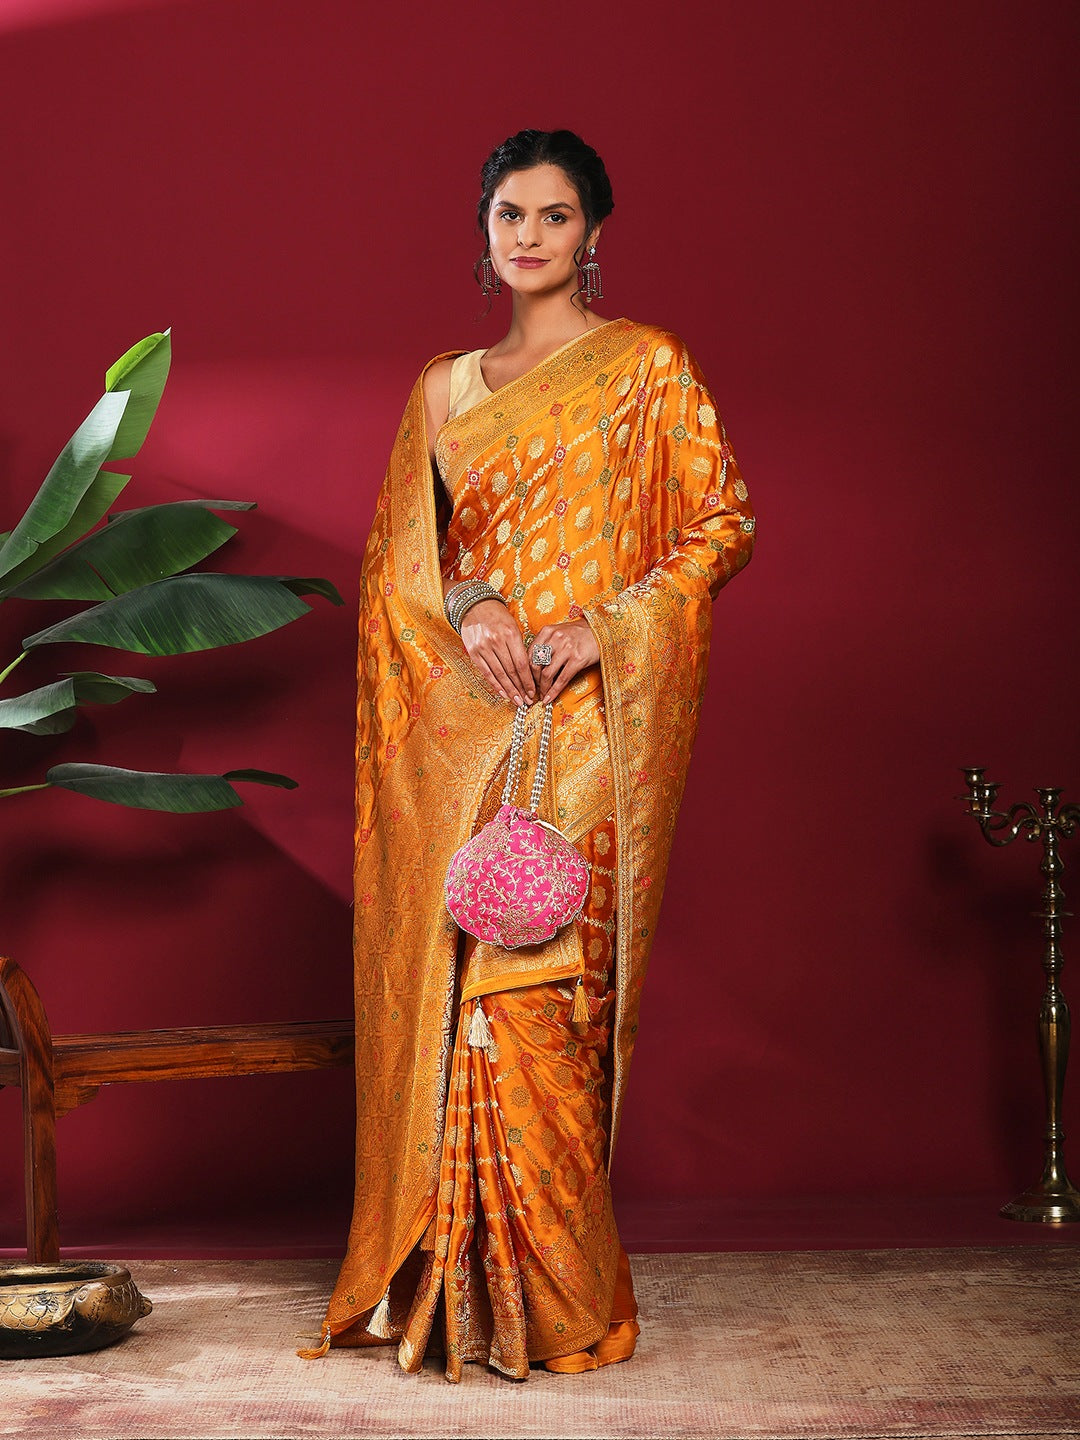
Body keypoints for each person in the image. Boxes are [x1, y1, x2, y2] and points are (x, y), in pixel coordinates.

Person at [300, 128, 755, 1382]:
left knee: (542, 994)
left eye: (556, 216)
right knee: (465, 991)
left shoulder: (647, 366)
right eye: (511, 213)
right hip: (470, 719)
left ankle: (553, 1301)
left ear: (593, 232)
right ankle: (460, 1296)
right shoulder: (445, 387)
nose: (531, 236)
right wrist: (481, 604)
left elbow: (721, 521)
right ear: (484, 228)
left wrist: (604, 629)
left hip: (591, 717)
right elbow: (408, 563)